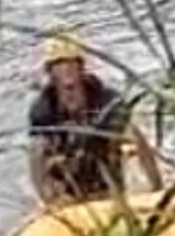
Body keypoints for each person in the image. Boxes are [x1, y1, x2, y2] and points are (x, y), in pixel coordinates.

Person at [28, 32, 161, 204]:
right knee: (46, 153)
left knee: (117, 141)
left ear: (81, 67)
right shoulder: (43, 110)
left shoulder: (106, 101)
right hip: (67, 186)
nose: (66, 69)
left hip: (105, 176)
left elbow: (138, 140)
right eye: (59, 64)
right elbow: (36, 157)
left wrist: (157, 187)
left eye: (71, 63)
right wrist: (48, 199)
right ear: (50, 72)